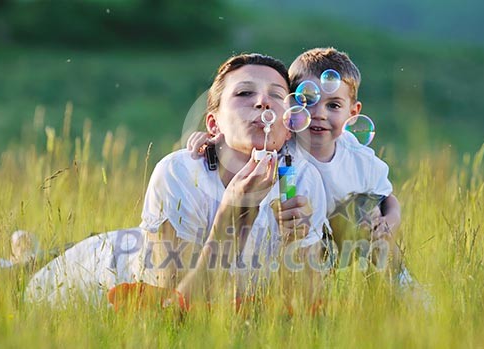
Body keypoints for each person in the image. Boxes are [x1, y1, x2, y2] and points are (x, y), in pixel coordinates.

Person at [25, 53, 329, 311]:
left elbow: (303, 308)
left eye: (276, 95)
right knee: (15, 278)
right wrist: (233, 212)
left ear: (290, 126)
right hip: (100, 275)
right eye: (244, 93)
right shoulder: (180, 173)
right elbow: (176, 307)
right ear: (213, 124)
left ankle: (28, 251)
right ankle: (25, 256)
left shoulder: (301, 181)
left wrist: (296, 244)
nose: (263, 102)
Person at [187, 47, 410, 284]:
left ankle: (402, 288)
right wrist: (215, 139)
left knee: (370, 218)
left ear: (352, 113)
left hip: (350, 237)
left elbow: (387, 198)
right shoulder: (284, 144)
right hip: (309, 244)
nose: (319, 114)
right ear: (291, 105)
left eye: (333, 106)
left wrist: (391, 222)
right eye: (308, 102)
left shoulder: (357, 157)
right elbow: (248, 141)